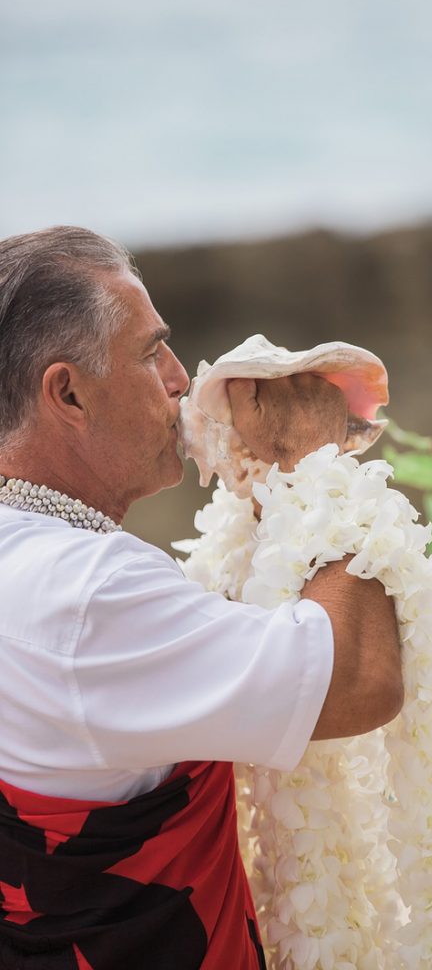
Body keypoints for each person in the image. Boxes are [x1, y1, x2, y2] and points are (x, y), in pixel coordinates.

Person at [0, 226, 403, 969]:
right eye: (151, 352)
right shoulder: (88, 595)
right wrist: (314, 462)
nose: (181, 378)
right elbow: (356, 680)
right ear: (68, 393)